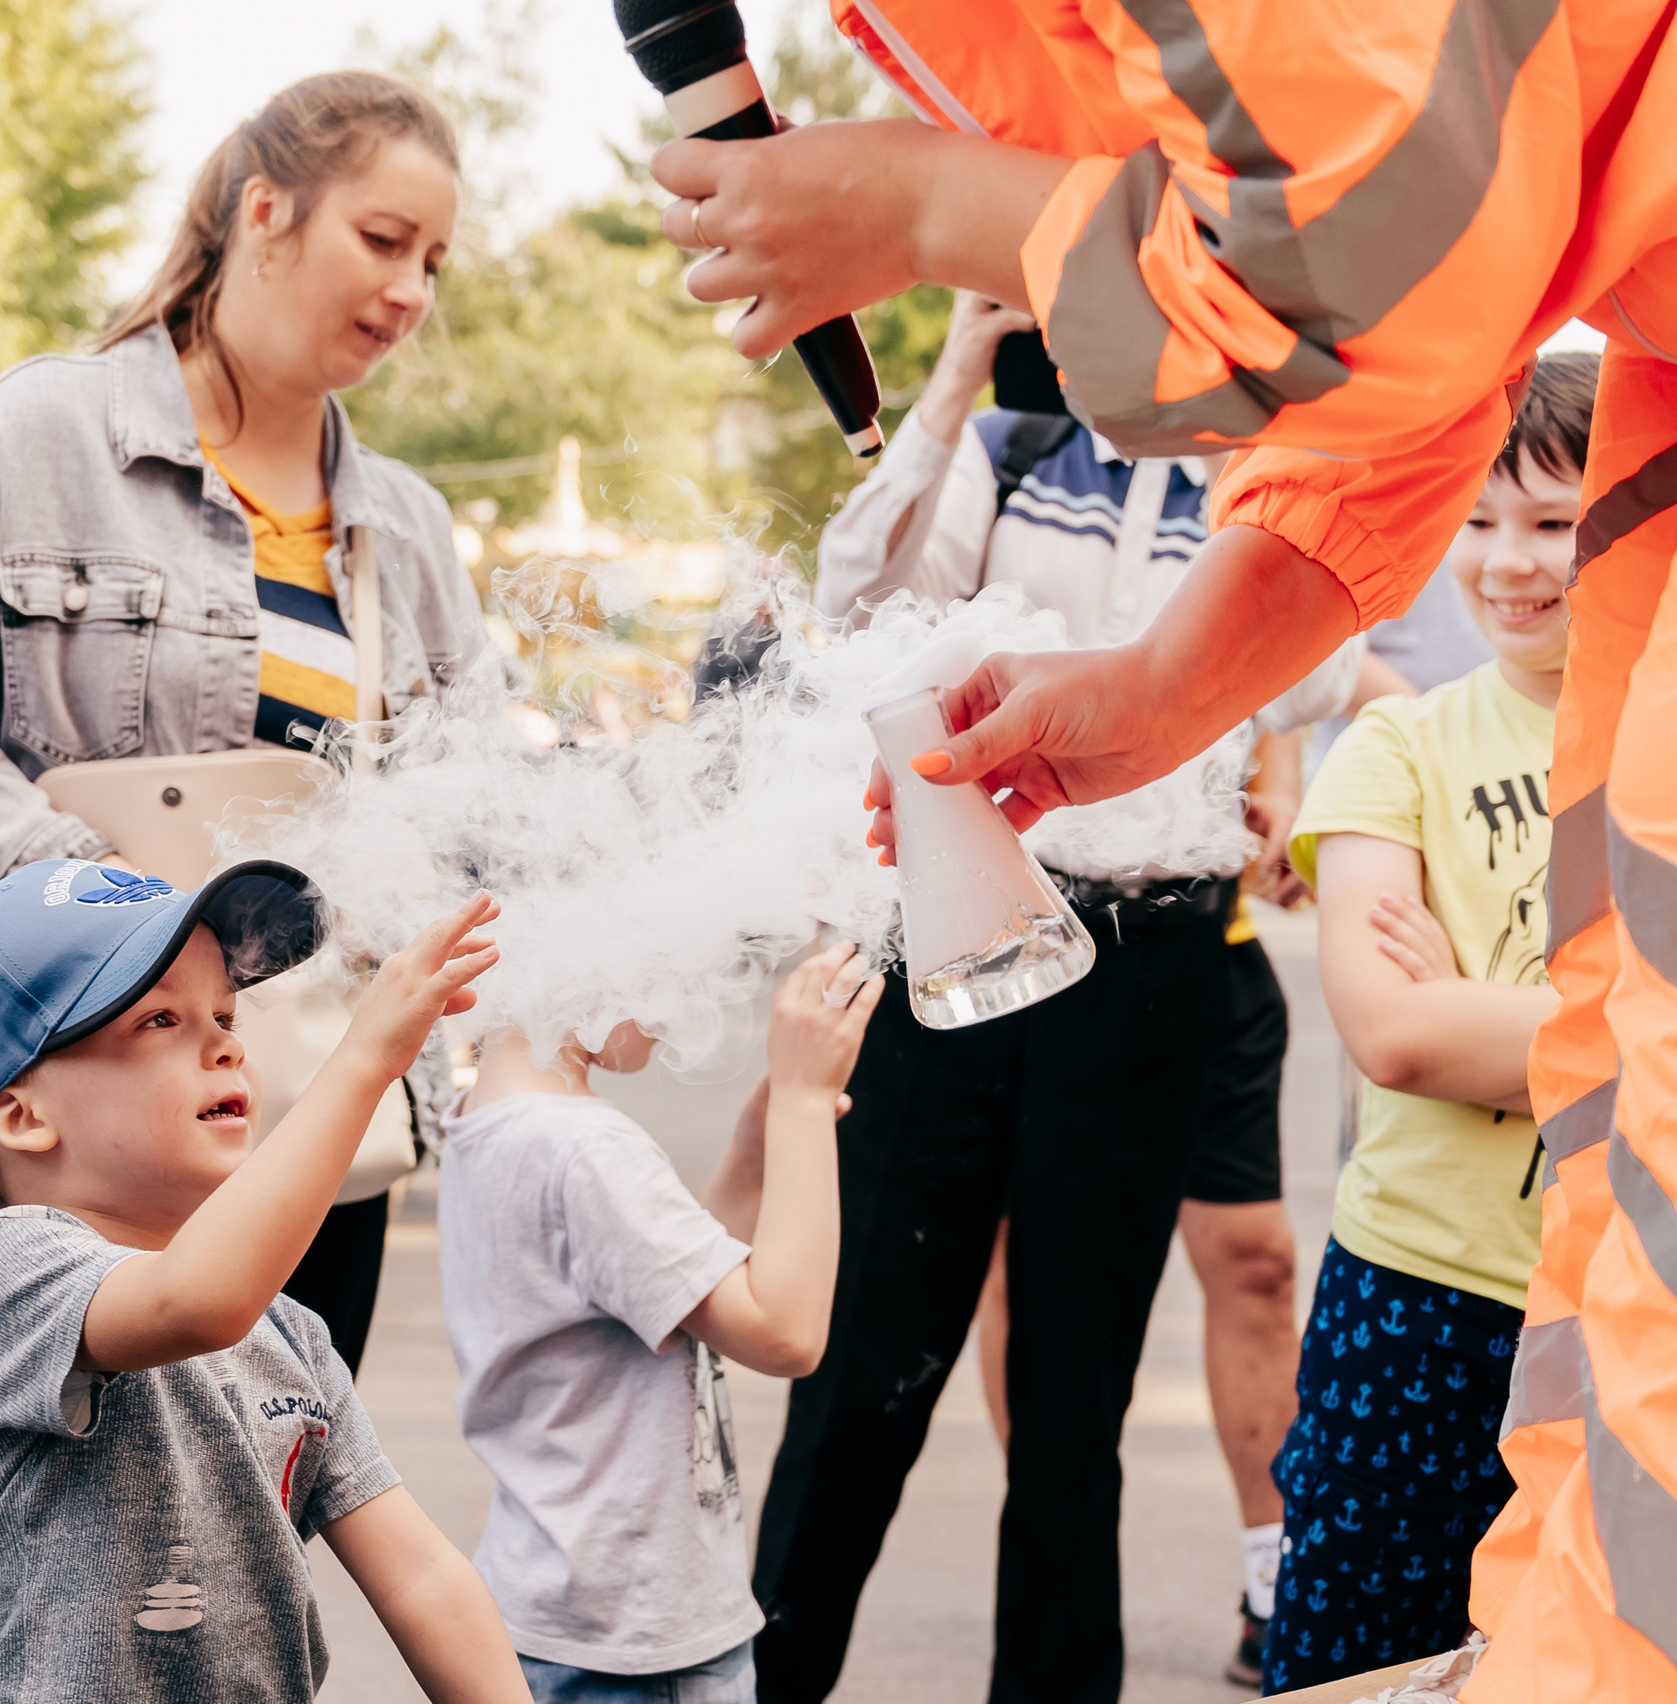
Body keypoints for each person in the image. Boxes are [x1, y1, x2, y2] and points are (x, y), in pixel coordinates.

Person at [647, 8, 1677, 1692]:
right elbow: (1424, 347)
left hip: (1151, 960)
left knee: (1077, 1400)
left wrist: (927, 209)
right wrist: (1162, 684)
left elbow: (1361, 242)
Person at [0, 71, 491, 1397]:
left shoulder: (405, 524)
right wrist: (83, 891)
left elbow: (472, 798)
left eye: (435, 262)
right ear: (266, 211)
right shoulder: (44, 429)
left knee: (263, 1536)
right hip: (31, 1108)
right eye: (385, 240)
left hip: (298, 1125)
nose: (411, 291)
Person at [740, 287, 1349, 1701]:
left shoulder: (1273, 486)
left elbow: (1321, 665)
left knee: (1079, 1403)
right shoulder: (1012, 447)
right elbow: (864, 597)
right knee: (861, 1373)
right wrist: (958, 361)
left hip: (1156, 956)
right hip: (957, 923)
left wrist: (1255, 752)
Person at [0, 861, 523, 1701]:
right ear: (22, 1115)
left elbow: (422, 1578)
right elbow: (195, 1300)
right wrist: (365, 1057)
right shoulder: (13, 1267)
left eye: (225, 1013)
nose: (228, 1043)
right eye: (159, 1019)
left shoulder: (288, 1330)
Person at [1258, 356, 1590, 1693]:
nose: (1508, 562)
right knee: (1363, 1669)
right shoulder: (1395, 750)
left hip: (1624, 1298)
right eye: (1479, 517)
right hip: (1418, 1300)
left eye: (1555, 521)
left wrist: (1490, 1020)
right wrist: (1618, 1028)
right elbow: (1394, 1033)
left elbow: (1450, 1026)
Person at [441, 951, 881, 1704]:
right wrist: (805, 1105)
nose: (682, 997)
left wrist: (750, 1160)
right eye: (665, 952)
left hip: (550, 1612)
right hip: (635, 1649)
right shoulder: (585, 1150)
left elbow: (670, 1301)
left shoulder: (491, 1123)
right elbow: (785, 1333)